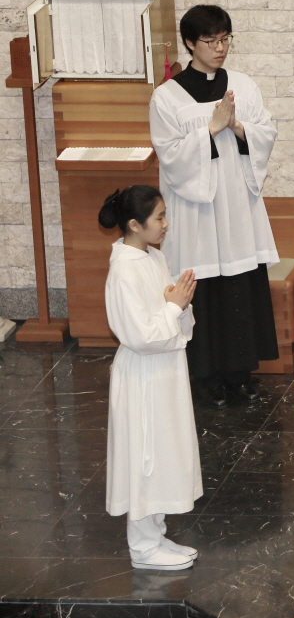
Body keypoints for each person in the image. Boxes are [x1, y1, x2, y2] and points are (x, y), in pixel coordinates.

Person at [150, 5, 279, 410]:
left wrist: (237, 125)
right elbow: (169, 156)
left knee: (239, 289)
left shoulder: (243, 85)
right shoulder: (167, 97)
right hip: (196, 212)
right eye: (211, 41)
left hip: (237, 206)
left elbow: (266, 132)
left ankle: (240, 376)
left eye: (225, 39)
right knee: (203, 290)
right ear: (190, 43)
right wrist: (210, 128)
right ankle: (207, 378)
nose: (220, 48)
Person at [100, 185, 202, 571]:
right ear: (134, 224)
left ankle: (156, 535)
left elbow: (169, 312)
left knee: (163, 454)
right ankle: (142, 548)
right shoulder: (124, 271)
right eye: (159, 217)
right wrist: (173, 307)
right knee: (144, 459)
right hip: (143, 375)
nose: (165, 224)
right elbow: (140, 335)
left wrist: (179, 305)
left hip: (165, 371)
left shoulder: (152, 256)